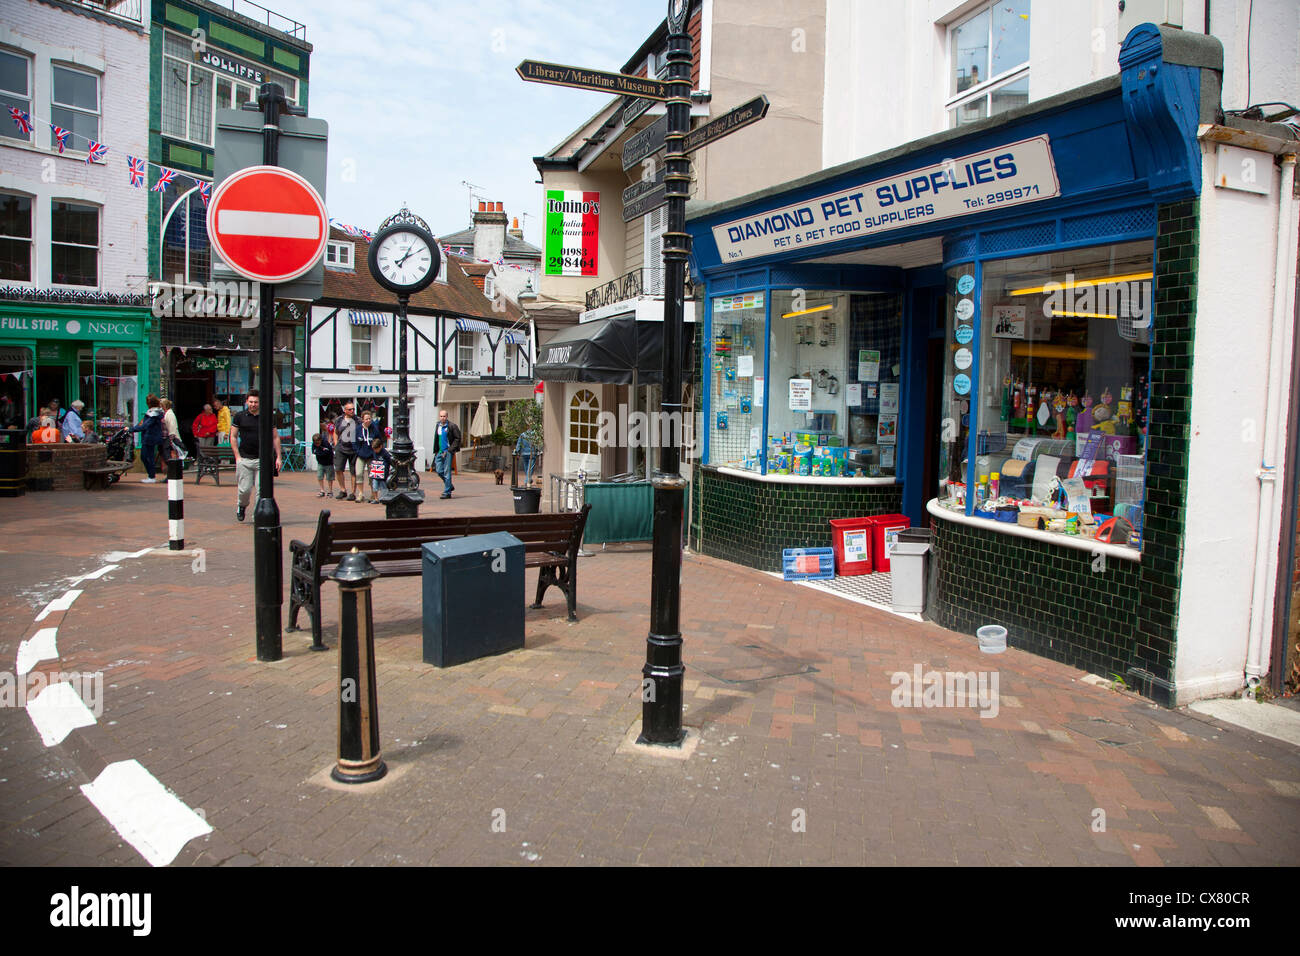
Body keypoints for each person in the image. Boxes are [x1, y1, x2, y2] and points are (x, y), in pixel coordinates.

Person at [230, 389, 281, 522]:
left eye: (256, 402)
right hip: (245, 458)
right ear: (247, 402)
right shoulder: (239, 416)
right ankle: (241, 506)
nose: (253, 404)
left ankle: (257, 516)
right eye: (251, 402)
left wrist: (278, 457)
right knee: (244, 490)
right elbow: (233, 436)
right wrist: (237, 457)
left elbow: (275, 437)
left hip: (263, 460)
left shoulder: (267, 417)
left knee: (261, 491)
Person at [130, 395, 165, 482]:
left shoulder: (154, 413)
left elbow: (145, 426)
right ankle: (151, 476)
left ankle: (151, 476)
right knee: (147, 457)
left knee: (146, 457)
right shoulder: (155, 412)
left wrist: (132, 429)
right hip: (149, 437)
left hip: (150, 438)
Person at [431, 407, 461, 499]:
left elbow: (457, 438)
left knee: (447, 472)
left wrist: (450, 450)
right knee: (439, 471)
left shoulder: (452, 426)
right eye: (441, 416)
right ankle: (449, 485)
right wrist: (436, 451)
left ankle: (447, 492)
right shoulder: (438, 426)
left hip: (448, 452)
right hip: (439, 452)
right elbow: (437, 439)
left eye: (444, 416)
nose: (442, 418)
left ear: (447, 416)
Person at [333, 401, 359, 501]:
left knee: (354, 471)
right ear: (345, 410)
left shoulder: (358, 420)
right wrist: (336, 444)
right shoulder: (339, 419)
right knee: (339, 469)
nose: (352, 411)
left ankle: (353, 492)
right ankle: (343, 490)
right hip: (341, 447)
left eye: (353, 409)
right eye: (350, 409)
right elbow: (335, 432)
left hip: (353, 449)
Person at [355, 411, 378, 501]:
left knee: (371, 476)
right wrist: (358, 451)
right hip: (361, 455)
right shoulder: (358, 429)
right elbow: (354, 442)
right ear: (362, 420)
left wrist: (374, 452)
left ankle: (373, 493)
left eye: (369, 419)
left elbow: (378, 440)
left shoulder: (374, 428)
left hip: (371, 456)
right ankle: (360, 493)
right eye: (366, 419)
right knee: (359, 473)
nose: (368, 421)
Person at [367, 437, 393, 502]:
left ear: (380, 446)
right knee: (374, 485)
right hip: (376, 473)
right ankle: (376, 498)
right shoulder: (374, 453)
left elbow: (390, 461)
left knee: (383, 486)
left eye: (376, 449)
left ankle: (384, 497)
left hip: (383, 474)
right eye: (374, 449)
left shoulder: (385, 453)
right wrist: (372, 465)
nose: (375, 451)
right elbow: (373, 459)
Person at [312, 431, 335, 498]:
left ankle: (330, 491)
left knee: (329, 478)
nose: (317, 445)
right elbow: (314, 452)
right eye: (316, 443)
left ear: (321, 440)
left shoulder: (326, 443)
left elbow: (327, 452)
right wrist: (321, 453)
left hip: (328, 463)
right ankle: (322, 490)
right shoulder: (314, 445)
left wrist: (320, 453)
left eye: (318, 443)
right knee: (319, 476)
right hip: (320, 463)